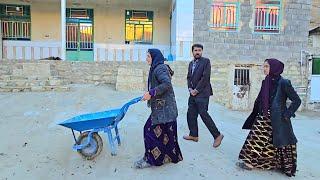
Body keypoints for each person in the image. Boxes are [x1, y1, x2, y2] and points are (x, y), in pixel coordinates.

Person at [237, 58, 301, 177]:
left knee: (281, 143)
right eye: (264, 66)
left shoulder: (284, 83)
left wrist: (287, 114)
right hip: (263, 116)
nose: (264, 69)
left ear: (274, 68)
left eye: (267, 66)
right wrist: (257, 111)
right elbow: (261, 98)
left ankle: (285, 167)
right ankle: (250, 163)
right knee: (255, 138)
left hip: (278, 118)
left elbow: (297, 100)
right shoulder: (265, 81)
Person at [134, 49, 183, 168]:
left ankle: (151, 160)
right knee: (166, 133)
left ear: (154, 57)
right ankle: (169, 157)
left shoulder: (159, 68)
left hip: (163, 109)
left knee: (149, 131)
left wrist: (151, 93)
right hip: (165, 108)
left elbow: (166, 84)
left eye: (148, 56)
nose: (146, 59)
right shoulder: (157, 67)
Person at [183, 44, 224, 148]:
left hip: (202, 93)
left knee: (203, 114)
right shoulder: (190, 63)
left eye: (199, 50)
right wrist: (190, 89)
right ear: (192, 52)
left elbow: (205, 77)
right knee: (190, 114)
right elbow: (189, 77)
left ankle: (217, 135)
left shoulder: (206, 61)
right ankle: (193, 135)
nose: (197, 52)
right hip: (192, 93)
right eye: (195, 50)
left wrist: (196, 90)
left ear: (202, 51)